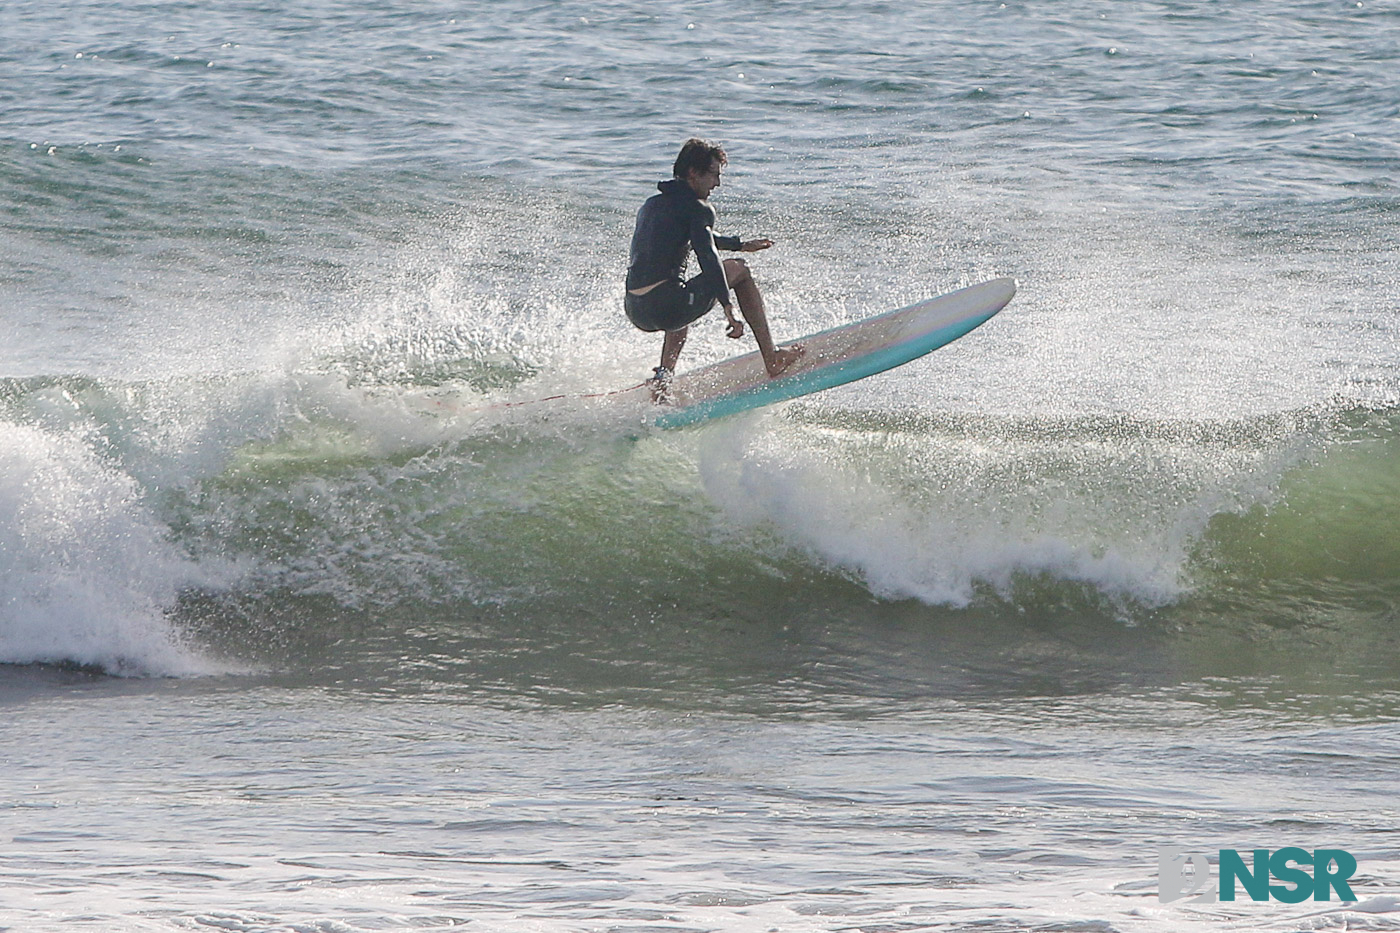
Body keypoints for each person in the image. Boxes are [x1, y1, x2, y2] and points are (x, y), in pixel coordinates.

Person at [625, 138, 802, 399]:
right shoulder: (699, 208)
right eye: (713, 176)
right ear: (693, 173)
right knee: (739, 270)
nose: (716, 184)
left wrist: (740, 244)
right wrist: (728, 307)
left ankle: (663, 379)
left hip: (635, 308)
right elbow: (707, 254)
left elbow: (701, 235)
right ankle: (772, 357)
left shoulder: (652, 205)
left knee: (678, 292)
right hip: (666, 307)